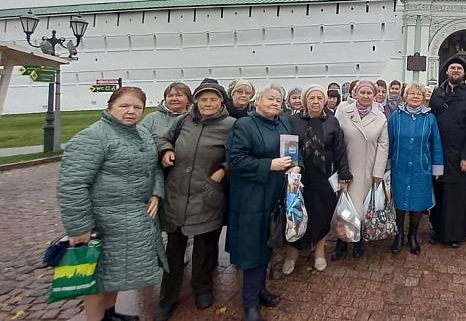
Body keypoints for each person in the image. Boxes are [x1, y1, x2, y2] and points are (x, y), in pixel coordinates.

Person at [58, 86, 166, 321]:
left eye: (137, 107)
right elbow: (73, 184)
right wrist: (79, 228)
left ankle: (110, 314)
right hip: (105, 222)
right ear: (110, 107)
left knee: (115, 273)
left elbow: (155, 167)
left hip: (132, 219)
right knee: (97, 279)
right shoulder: (93, 136)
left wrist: (157, 193)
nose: (131, 111)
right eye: (124, 106)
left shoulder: (142, 134)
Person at [156, 79, 235, 321]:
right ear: (196, 101)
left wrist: (223, 169)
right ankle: (168, 297)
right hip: (178, 193)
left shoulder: (232, 125)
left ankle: (202, 289)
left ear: (221, 101)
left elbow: (240, 152)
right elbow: (162, 139)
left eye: (213, 99)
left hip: (207, 194)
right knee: (174, 249)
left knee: (204, 248)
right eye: (203, 99)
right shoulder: (182, 121)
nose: (208, 103)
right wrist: (166, 150)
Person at [225, 85, 302, 321]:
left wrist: (295, 166)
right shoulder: (244, 125)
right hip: (251, 196)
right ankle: (249, 302)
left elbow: (292, 151)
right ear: (257, 101)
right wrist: (269, 165)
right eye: (270, 98)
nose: (276, 102)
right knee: (252, 247)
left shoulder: (284, 123)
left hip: (275, 193)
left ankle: (260, 291)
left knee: (268, 242)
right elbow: (236, 160)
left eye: (279, 100)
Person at [284, 85, 352, 273]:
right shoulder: (293, 120)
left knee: (321, 214)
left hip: (324, 177)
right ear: (305, 101)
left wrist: (344, 176)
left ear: (324, 101)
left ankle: (319, 251)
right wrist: (291, 168)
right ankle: (292, 253)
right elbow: (288, 147)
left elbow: (340, 150)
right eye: (311, 98)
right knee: (294, 215)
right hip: (299, 176)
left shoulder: (332, 122)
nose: (315, 101)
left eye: (319, 98)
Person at [429, 58, 466, 248]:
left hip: (459, 154)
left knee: (457, 195)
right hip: (438, 151)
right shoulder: (437, 93)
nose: (456, 70)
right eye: (453, 67)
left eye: (459, 68)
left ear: (464, 73)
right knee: (439, 191)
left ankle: (455, 234)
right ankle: (437, 229)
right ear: (446, 72)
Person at [387, 82, 444, 255]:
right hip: (399, 166)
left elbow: (436, 144)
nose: (415, 96)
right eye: (412, 93)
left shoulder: (430, 118)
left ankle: (413, 235)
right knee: (399, 202)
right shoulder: (396, 117)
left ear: (424, 97)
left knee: (418, 202)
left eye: (419, 94)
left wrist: (436, 167)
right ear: (405, 96)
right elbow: (388, 142)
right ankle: (399, 235)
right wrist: (387, 164)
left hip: (421, 168)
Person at [334, 80, 389, 258]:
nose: (365, 96)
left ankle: (358, 241)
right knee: (344, 207)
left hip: (368, 169)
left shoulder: (380, 117)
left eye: (369, 93)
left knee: (363, 208)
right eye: (362, 93)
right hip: (346, 167)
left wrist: (378, 172)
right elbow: (336, 139)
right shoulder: (343, 111)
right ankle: (341, 241)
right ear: (355, 93)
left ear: (374, 95)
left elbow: (383, 145)